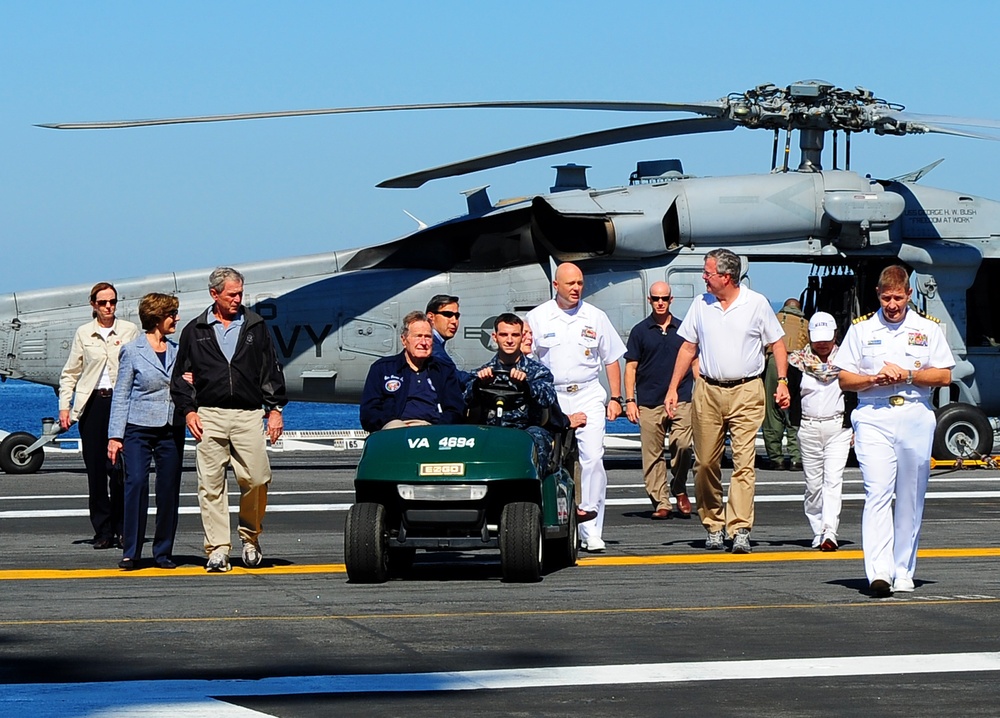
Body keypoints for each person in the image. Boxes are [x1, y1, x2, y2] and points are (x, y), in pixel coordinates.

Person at [834, 266, 954, 597]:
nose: (892, 305)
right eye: (886, 298)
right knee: (877, 493)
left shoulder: (927, 329)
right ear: (878, 295)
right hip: (874, 414)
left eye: (898, 298)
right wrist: (874, 379)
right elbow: (844, 378)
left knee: (911, 498)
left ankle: (903, 569)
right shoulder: (861, 330)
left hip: (915, 414)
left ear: (909, 295)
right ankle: (879, 572)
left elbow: (944, 376)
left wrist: (910, 375)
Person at [665, 249, 790, 554]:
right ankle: (713, 523)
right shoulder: (701, 304)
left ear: (726, 276)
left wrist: (783, 382)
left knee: (744, 463)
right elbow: (687, 349)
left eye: (707, 273)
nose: (703, 278)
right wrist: (672, 388)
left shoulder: (756, 303)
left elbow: (778, 342)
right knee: (705, 462)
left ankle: (740, 528)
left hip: (747, 390)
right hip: (708, 390)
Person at [170, 267, 288, 573]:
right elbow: (180, 379)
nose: (238, 299)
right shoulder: (195, 331)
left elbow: (270, 371)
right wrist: (189, 410)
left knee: (258, 478)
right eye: (231, 294)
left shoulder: (256, 326)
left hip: (249, 415)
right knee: (210, 486)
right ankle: (218, 548)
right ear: (214, 294)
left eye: (240, 294)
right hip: (208, 414)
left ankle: (251, 537)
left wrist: (275, 410)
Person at [526, 262, 626, 553]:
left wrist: (616, 398)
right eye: (570, 283)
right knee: (551, 459)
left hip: (587, 392)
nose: (576, 288)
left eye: (580, 283)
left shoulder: (595, 317)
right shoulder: (538, 317)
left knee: (593, 458)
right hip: (551, 395)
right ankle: (549, 522)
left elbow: (611, 359)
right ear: (556, 286)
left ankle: (591, 528)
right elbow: (527, 356)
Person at [59, 282, 140, 550]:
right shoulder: (84, 333)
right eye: (103, 302)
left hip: (121, 403)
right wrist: (65, 406)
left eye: (113, 302)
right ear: (93, 304)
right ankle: (102, 530)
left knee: (119, 470)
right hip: (94, 404)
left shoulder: (129, 331)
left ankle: (121, 528)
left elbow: (139, 366)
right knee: (96, 471)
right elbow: (70, 372)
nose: (108, 307)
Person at [107, 293, 185, 570]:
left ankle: (163, 552)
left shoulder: (178, 351)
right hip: (138, 427)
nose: (176, 319)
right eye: (172, 314)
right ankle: (131, 552)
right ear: (156, 318)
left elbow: (186, 390)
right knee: (136, 483)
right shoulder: (131, 350)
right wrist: (115, 436)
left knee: (168, 490)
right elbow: (121, 395)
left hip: (171, 428)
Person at [467, 313, 576, 475]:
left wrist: (527, 386)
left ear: (521, 337)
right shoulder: (483, 372)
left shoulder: (538, 372)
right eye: (504, 335)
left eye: (515, 335)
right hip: (490, 431)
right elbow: (464, 399)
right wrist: (477, 385)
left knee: (536, 444)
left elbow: (548, 398)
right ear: (495, 337)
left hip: (527, 431)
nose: (509, 340)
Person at [624, 281, 697, 519]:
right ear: (649, 300)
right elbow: (631, 367)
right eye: (656, 299)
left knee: (684, 444)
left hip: (682, 398)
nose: (660, 303)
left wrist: (702, 394)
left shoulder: (684, 329)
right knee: (652, 454)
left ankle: (679, 486)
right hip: (649, 401)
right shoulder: (639, 331)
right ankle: (661, 501)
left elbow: (694, 362)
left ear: (671, 300)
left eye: (664, 298)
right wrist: (630, 400)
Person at [787, 311, 856, 552]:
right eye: (818, 338)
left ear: (836, 335)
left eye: (827, 337)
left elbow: (855, 395)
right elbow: (790, 394)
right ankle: (817, 529)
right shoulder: (797, 363)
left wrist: (855, 426)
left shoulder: (848, 362)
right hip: (808, 427)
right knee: (813, 485)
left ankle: (829, 530)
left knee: (833, 481)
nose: (823, 343)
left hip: (838, 427)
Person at [360, 311, 465, 432]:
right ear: (404, 340)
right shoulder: (382, 369)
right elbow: (369, 413)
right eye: (418, 336)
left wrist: (438, 428)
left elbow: (456, 410)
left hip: (431, 430)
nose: (424, 343)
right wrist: (391, 423)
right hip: (394, 429)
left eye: (427, 337)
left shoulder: (444, 370)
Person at [762, 298, 810, 471]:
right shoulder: (806, 323)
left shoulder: (774, 318)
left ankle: (776, 458)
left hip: (775, 362)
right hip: (798, 364)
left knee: (772, 411)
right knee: (795, 410)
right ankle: (796, 458)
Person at [425, 294, 470, 383]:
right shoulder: (431, 347)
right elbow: (456, 379)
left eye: (457, 316)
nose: (454, 321)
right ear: (431, 317)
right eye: (448, 314)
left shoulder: (436, 344)